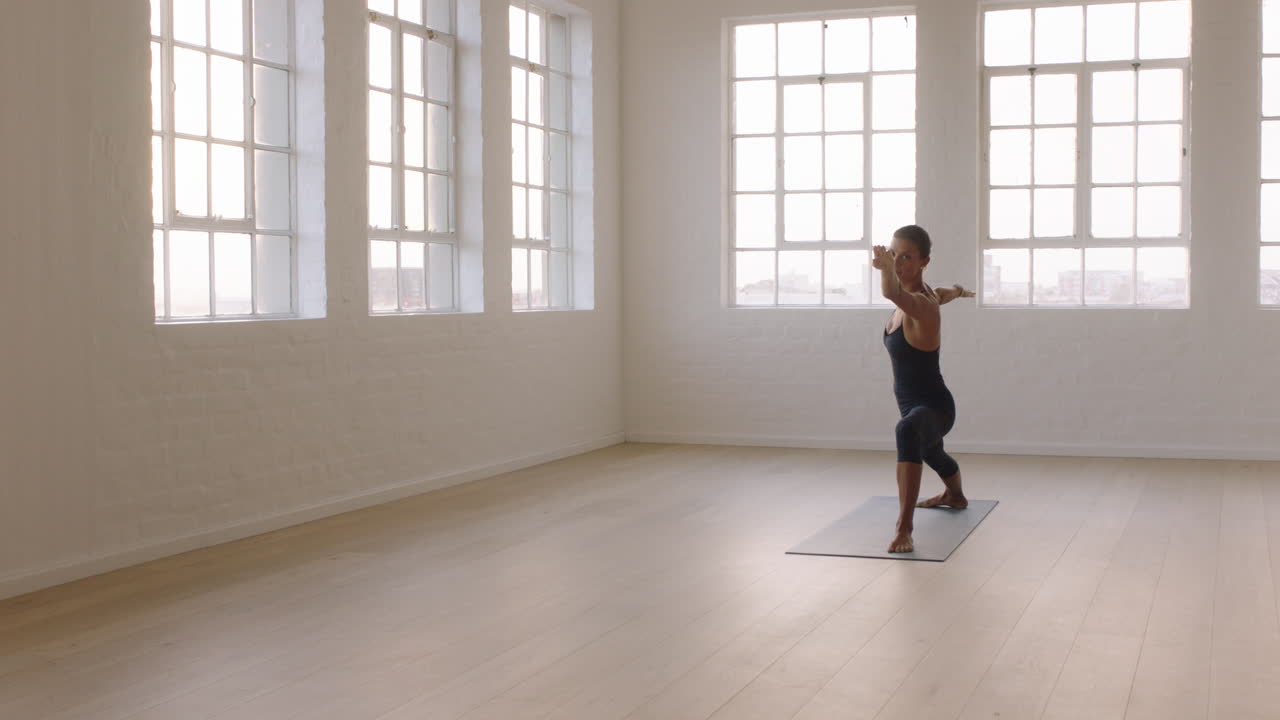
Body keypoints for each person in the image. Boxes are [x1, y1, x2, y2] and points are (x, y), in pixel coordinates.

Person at [872, 225, 974, 554]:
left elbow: (892, 292)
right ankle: (954, 495)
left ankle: (904, 529)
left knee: (908, 430)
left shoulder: (921, 305)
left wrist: (886, 270)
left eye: (907, 257)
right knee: (930, 450)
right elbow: (946, 291)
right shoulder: (931, 296)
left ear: (923, 261)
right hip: (917, 407)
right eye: (894, 255)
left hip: (936, 407)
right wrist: (960, 289)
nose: (899, 263)